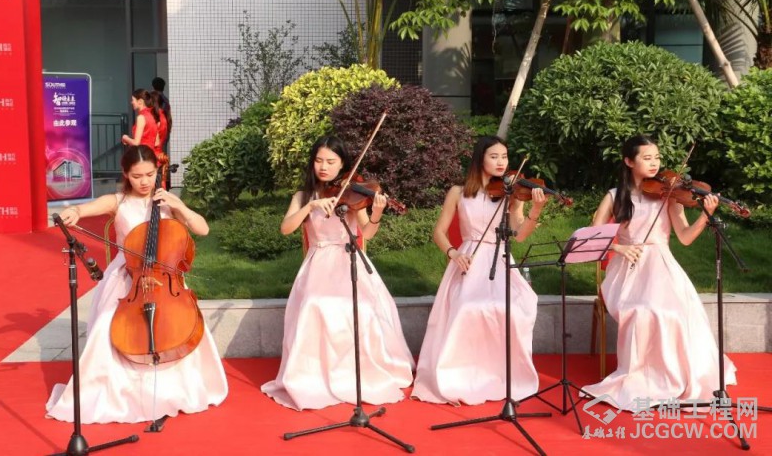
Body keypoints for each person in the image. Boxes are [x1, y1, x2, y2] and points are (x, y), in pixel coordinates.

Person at [46, 145, 228, 423]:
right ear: (125, 174)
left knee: (177, 323)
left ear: (158, 171)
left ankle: (174, 390)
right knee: (108, 325)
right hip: (128, 278)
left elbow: (203, 229)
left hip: (165, 278)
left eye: (150, 174)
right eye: (137, 176)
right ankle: (114, 392)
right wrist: (75, 210)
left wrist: (178, 205)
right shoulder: (118, 201)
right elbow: (87, 208)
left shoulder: (167, 202)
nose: (144, 182)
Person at [580, 135, 737, 410]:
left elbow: (685, 237)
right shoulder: (615, 196)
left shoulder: (669, 195)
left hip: (662, 266)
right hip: (627, 269)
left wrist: (705, 215)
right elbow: (592, 237)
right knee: (643, 312)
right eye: (647, 158)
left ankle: (674, 375)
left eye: (657, 157)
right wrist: (618, 247)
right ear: (629, 161)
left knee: (677, 311)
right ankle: (644, 376)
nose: (654, 163)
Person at [261, 136, 414, 410]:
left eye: (331, 162)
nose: (324, 167)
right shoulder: (303, 196)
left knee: (360, 309)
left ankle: (357, 372)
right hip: (318, 264)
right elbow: (286, 228)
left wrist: (377, 213)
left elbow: (367, 233)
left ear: (343, 164)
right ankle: (315, 372)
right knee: (315, 306)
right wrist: (310, 206)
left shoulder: (351, 194)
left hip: (349, 259)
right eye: (319, 161)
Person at [412, 135, 547, 405]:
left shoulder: (511, 193)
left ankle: (500, 374)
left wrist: (536, 209)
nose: (501, 162)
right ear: (480, 159)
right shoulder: (458, 192)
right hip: (469, 260)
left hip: (500, 258)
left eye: (504, 157)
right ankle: (461, 375)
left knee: (514, 310)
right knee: (467, 309)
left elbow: (520, 234)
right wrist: (453, 254)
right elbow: (438, 232)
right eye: (494, 156)